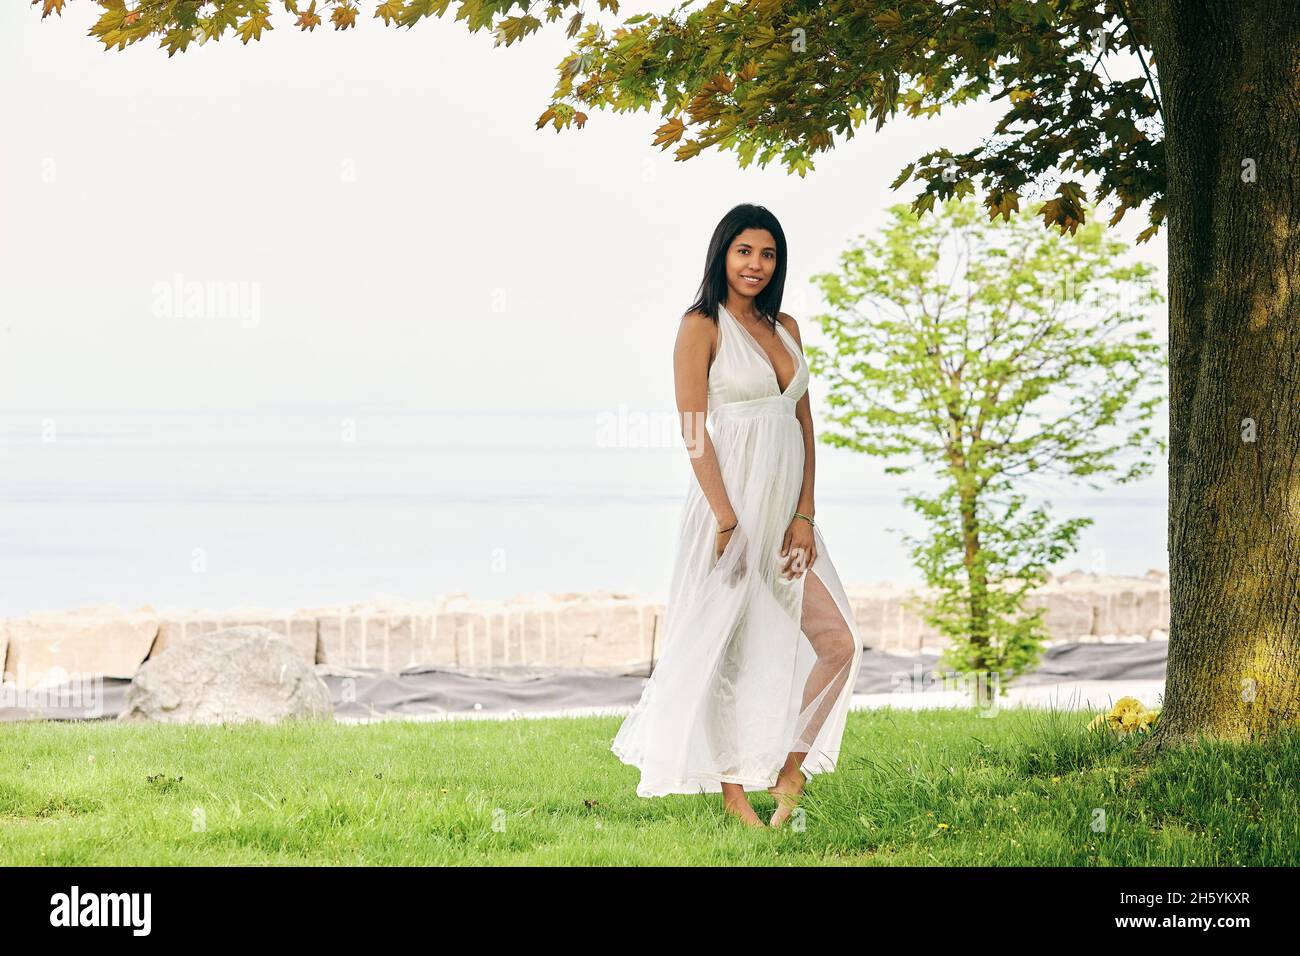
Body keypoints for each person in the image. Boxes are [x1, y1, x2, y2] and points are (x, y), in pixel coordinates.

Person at [611, 203, 864, 828]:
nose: (756, 265)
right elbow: (694, 432)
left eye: (768, 254)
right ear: (723, 254)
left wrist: (805, 514)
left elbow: (804, 425)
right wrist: (727, 520)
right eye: (744, 251)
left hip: (787, 512)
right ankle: (732, 793)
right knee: (727, 648)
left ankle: (790, 770)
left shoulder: (787, 326)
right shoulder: (701, 325)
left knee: (838, 643)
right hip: (730, 510)